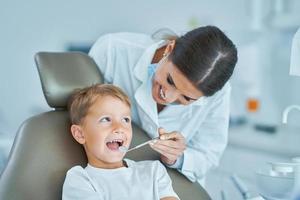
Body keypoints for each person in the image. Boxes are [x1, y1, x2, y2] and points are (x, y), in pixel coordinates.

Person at [89, 25, 238, 186]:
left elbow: (207, 155)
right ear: (169, 48)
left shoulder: (218, 95)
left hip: (170, 184)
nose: (167, 97)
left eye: (186, 98)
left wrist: (177, 157)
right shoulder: (113, 50)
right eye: (170, 80)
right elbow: (81, 115)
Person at [63, 84, 179, 200]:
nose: (119, 128)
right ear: (80, 134)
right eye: (106, 119)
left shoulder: (153, 171)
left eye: (125, 120)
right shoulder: (80, 180)